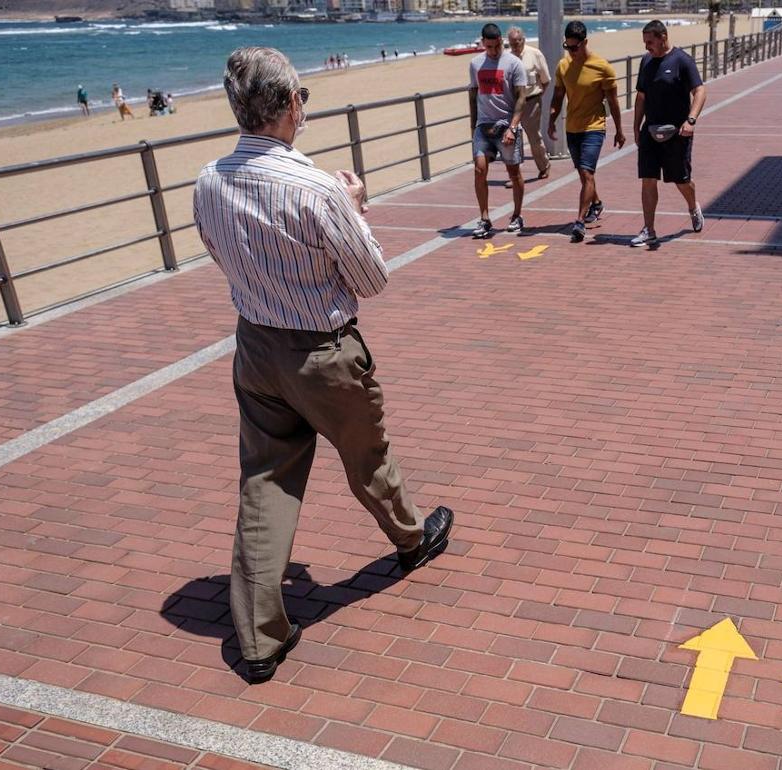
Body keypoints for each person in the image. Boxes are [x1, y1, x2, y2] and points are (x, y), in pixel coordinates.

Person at [192, 47, 454, 685]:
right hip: (321, 350)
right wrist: (357, 205)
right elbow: (371, 279)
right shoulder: (316, 186)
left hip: (256, 344)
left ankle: (259, 636)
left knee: (265, 479)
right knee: (367, 454)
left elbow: (216, 249)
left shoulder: (209, 179)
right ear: (290, 107)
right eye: (299, 96)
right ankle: (412, 538)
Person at [630, 20, 706, 248]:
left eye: (650, 42)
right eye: (645, 43)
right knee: (648, 179)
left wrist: (690, 120)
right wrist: (636, 126)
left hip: (677, 133)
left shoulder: (682, 60)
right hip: (650, 131)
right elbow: (641, 96)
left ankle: (693, 207)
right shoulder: (646, 62)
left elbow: (700, 91)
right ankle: (649, 230)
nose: (646, 47)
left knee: (681, 180)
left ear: (663, 37)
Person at [547, 21, 625, 243]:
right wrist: (551, 120)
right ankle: (597, 204)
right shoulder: (563, 66)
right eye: (567, 47)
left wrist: (619, 130)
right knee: (584, 175)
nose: (571, 52)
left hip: (594, 127)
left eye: (574, 47)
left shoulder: (603, 68)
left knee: (587, 173)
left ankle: (579, 222)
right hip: (572, 128)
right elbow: (558, 97)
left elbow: (613, 101)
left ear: (585, 43)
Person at [468, 23, 528, 238]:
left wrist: (513, 127)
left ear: (502, 41)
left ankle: (517, 215)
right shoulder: (475, 64)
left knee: (513, 173)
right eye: (489, 47)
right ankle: (484, 218)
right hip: (483, 127)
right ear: (483, 43)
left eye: (497, 46)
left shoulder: (514, 63)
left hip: (507, 126)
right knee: (479, 170)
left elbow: (522, 97)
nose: (494, 51)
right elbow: (473, 96)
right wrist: (472, 126)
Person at [505, 26, 551, 188]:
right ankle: (514, 176)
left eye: (517, 42)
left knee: (533, 137)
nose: (515, 46)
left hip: (532, 101)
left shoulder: (534, 54)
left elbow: (545, 80)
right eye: (512, 43)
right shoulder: (507, 58)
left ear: (523, 40)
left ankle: (544, 166)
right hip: (513, 102)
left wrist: (537, 97)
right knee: (511, 139)